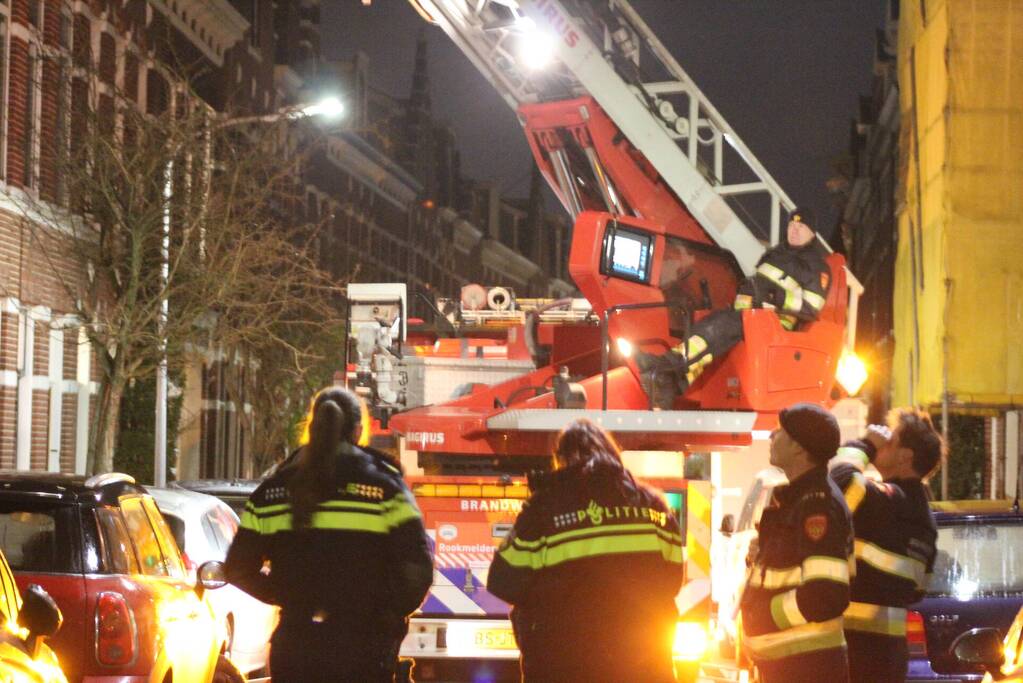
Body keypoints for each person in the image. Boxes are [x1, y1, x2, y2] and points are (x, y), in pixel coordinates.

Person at [224, 387, 433, 683]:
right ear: (358, 431)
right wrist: (382, 612)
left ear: (312, 427)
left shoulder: (272, 492)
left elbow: (237, 568)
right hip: (364, 650)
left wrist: (286, 593)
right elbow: (417, 570)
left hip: (295, 648)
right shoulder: (386, 489)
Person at [487, 419, 683, 682]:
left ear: (562, 459)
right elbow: (671, 580)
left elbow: (502, 581)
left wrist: (553, 599)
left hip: (564, 663)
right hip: (644, 664)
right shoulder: (654, 507)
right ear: (613, 453)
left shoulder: (545, 508)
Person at [637, 207, 831, 408]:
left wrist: (778, 297)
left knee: (716, 330)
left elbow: (811, 308)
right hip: (746, 316)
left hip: (772, 325)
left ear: (812, 233)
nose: (795, 230)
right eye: (792, 225)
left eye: (801, 226)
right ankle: (668, 385)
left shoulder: (817, 267)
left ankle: (665, 367)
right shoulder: (776, 254)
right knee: (708, 327)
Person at [741, 403, 853, 683]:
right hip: (790, 665)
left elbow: (825, 594)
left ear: (799, 448)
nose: (772, 436)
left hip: (805, 667)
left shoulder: (818, 506)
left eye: (780, 431)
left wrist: (764, 615)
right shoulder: (800, 500)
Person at [829, 409, 942, 683]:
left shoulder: (888, 500)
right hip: (889, 654)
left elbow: (837, 486)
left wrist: (864, 445)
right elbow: (918, 589)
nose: (883, 441)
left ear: (905, 456)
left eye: (890, 439)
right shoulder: (924, 518)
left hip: (854, 650)